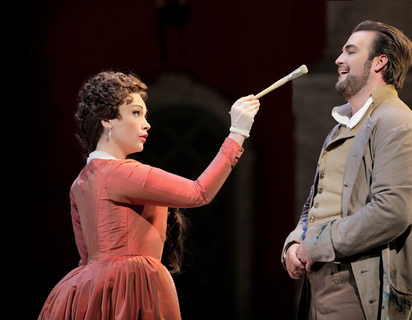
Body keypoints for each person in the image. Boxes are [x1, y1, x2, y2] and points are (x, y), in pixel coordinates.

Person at [38, 70, 260, 319]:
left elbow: (87, 257)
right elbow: (199, 192)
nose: (146, 123)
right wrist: (238, 132)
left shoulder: (81, 181)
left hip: (93, 292)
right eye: (135, 113)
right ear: (107, 120)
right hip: (131, 286)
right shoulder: (120, 173)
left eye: (145, 113)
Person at [281, 20, 412, 319]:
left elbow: (391, 211)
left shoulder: (398, 125)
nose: (339, 59)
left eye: (351, 51)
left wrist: (315, 244)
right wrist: (295, 242)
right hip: (321, 281)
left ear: (379, 62)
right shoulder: (340, 129)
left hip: (360, 287)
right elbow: (315, 202)